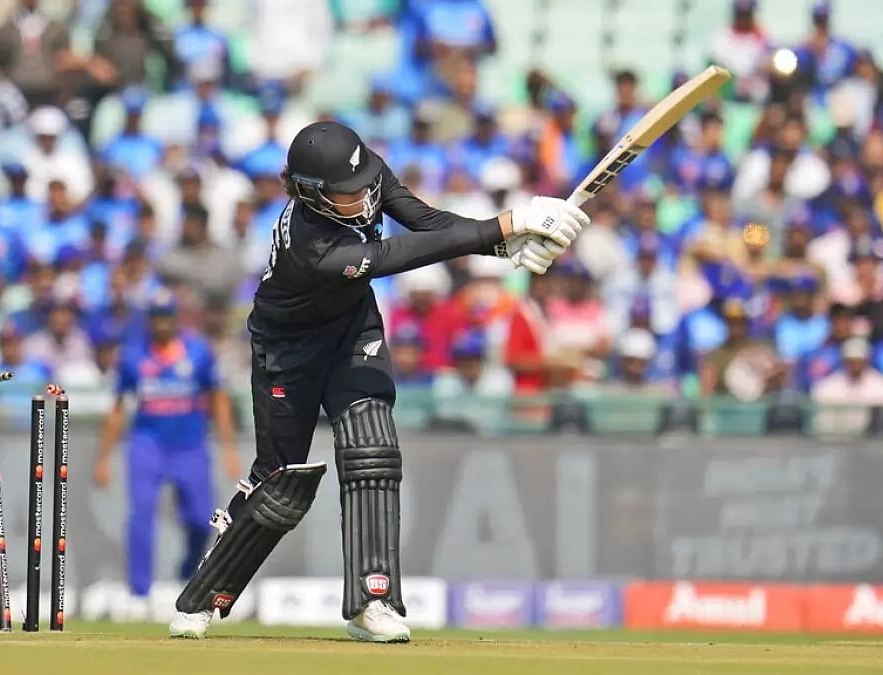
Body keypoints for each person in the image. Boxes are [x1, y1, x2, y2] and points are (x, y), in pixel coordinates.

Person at [165, 120, 587, 641]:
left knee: (373, 449)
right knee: (280, 485)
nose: (364, 197)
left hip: (351, 331)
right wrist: (506, 224)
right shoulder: (314, 247)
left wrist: (504, 246)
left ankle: (373, 600)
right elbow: (398, 255)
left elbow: (427, 223)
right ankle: (203, 598)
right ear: (310, 193)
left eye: (365, 183)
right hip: (287, 352)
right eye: (348, 193)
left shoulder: (365, 174)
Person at [93, 289, 239, 598]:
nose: (161, 324)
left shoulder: (198, 352)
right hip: (147, 444)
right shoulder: (133, 355)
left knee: (203, 519)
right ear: (149, 320)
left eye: (166, 317)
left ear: (175, 318)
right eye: (156, 318)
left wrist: (228, 449)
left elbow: (219, 399)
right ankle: (139, 591)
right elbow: (118, 407)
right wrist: (103, 458)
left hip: (190, 445)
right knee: (142, 514)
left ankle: (188, 570)